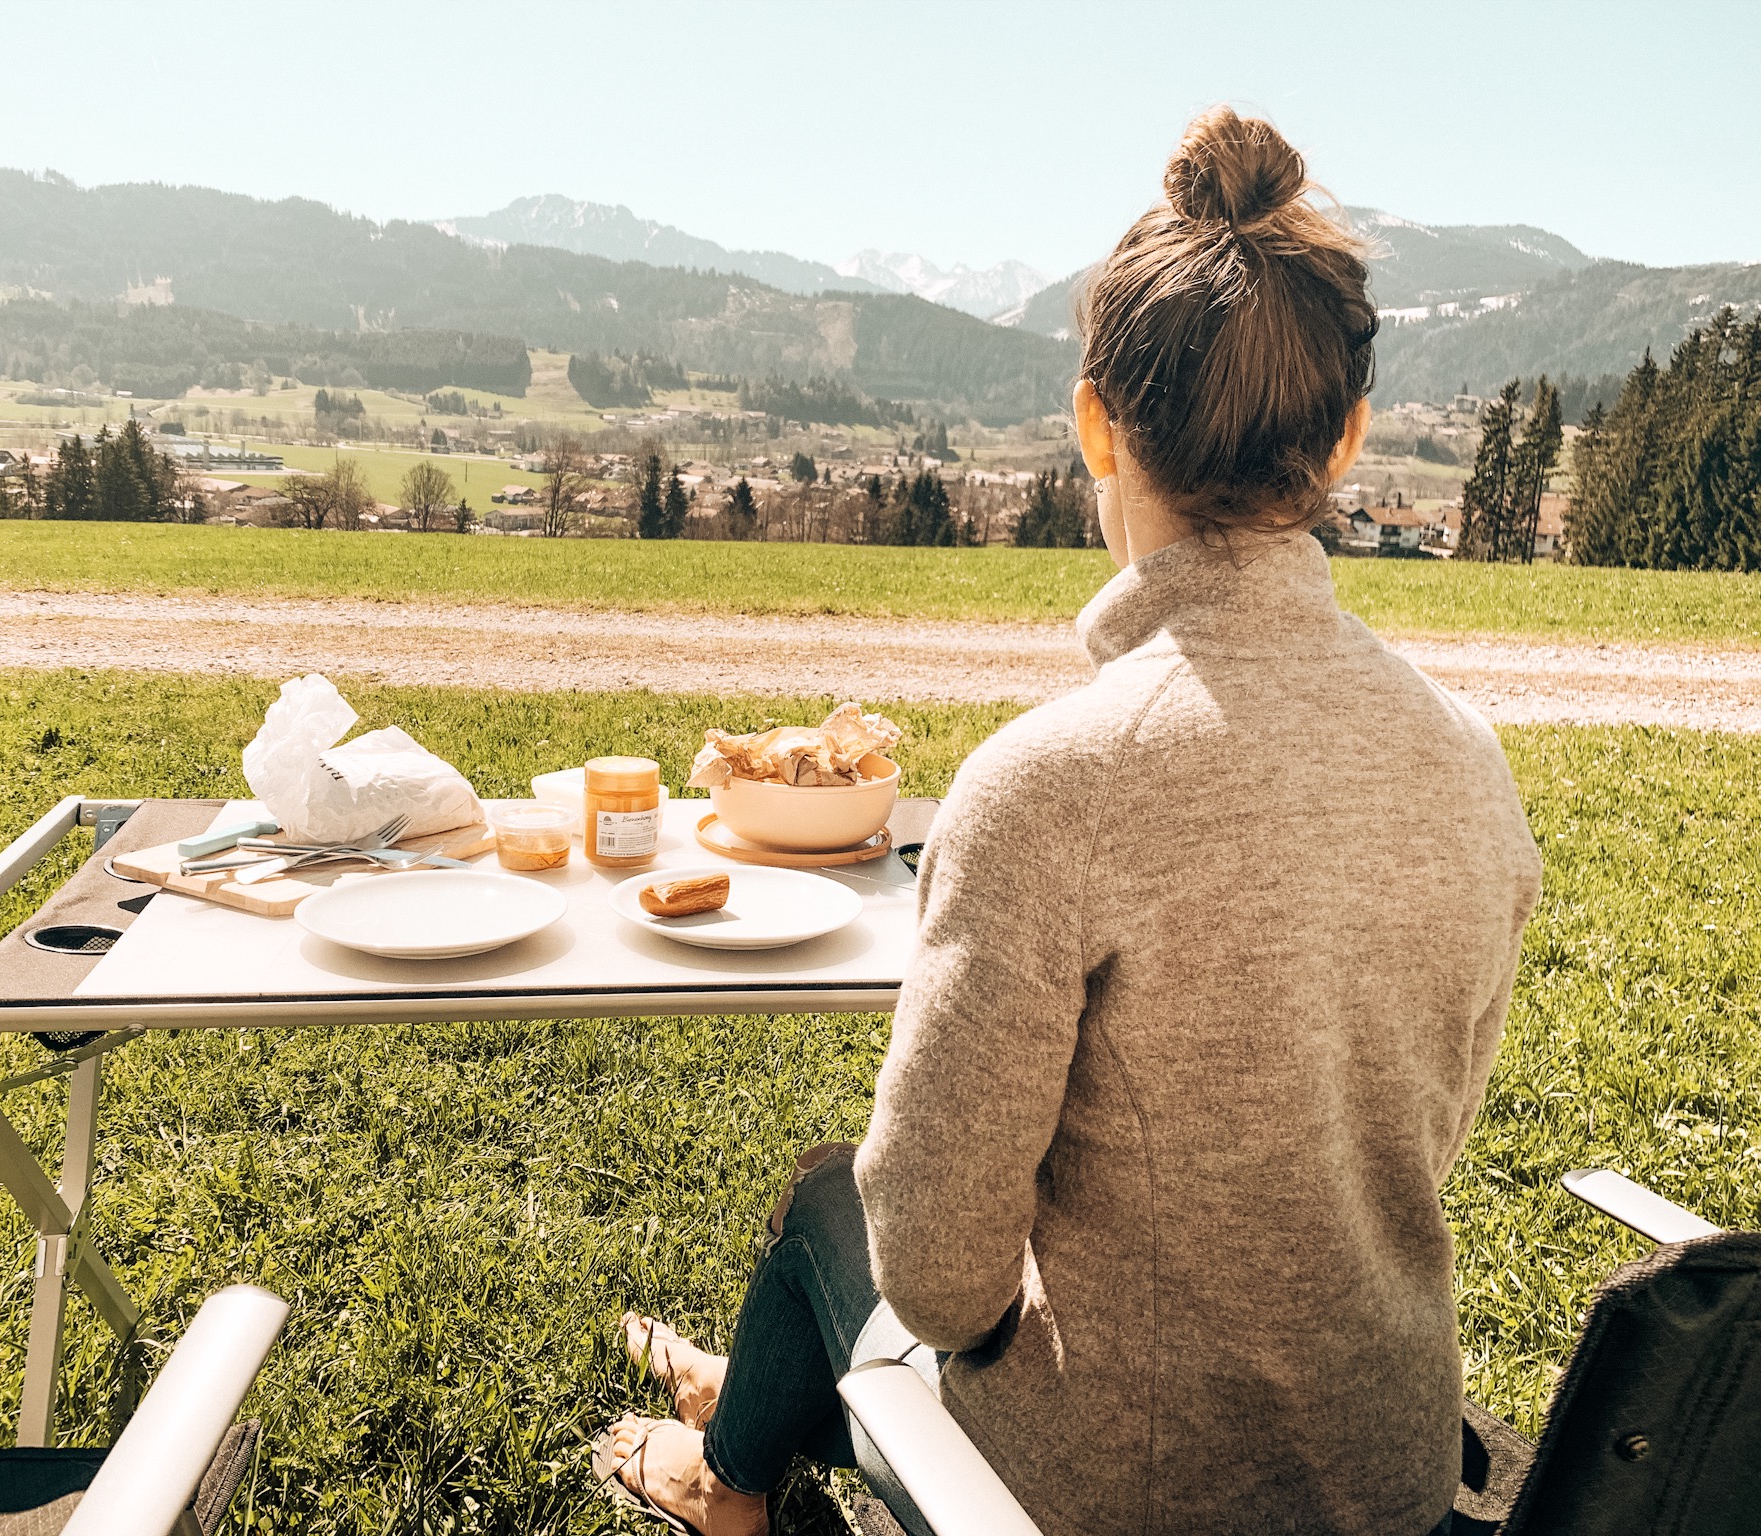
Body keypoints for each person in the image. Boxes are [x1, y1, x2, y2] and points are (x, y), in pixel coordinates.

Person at [596, 106, 1543, 1536]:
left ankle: (725, 1491)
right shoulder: (1471, 766)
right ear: (1345, 439)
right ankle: (741, 1413)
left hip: (1119, 1496)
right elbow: (1403, 1146)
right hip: (1385, 1477)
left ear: (1096, 419)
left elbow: (937, 1276)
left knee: (824, 1218)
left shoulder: (1055, 783)